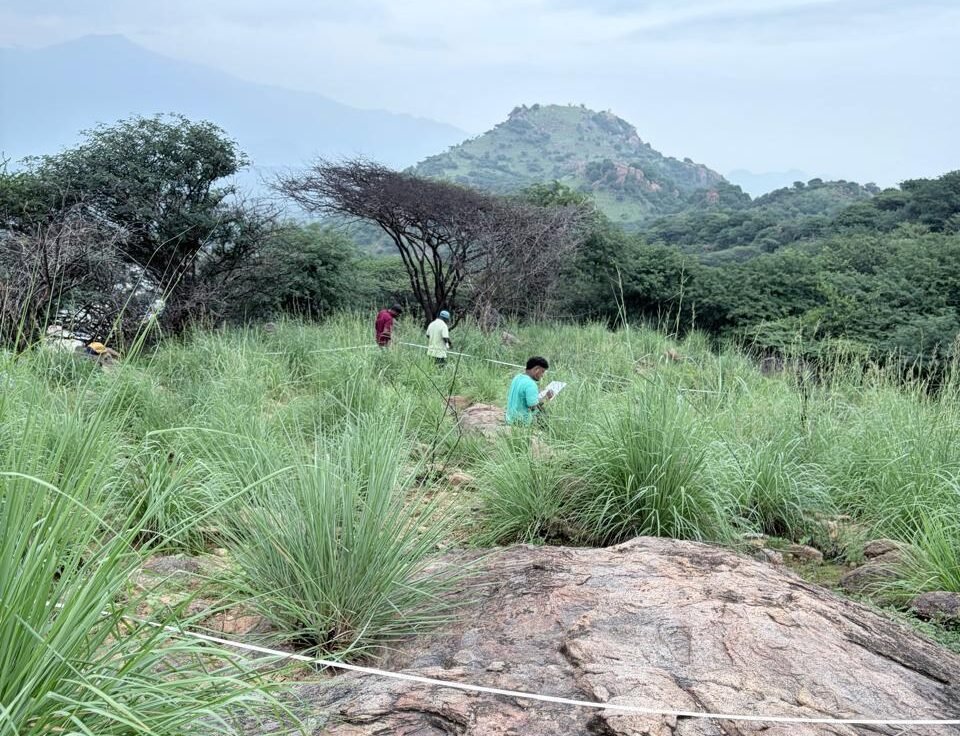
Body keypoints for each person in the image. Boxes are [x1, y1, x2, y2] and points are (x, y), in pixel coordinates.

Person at [506, 356, 554, 426]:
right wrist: (546, 397)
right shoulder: (531, 384)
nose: (542, 375)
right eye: (542, 371)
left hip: (510, 418)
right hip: (521, 422)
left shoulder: (517, 377)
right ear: (536, 369)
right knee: (544, 411)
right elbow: (533, 407)